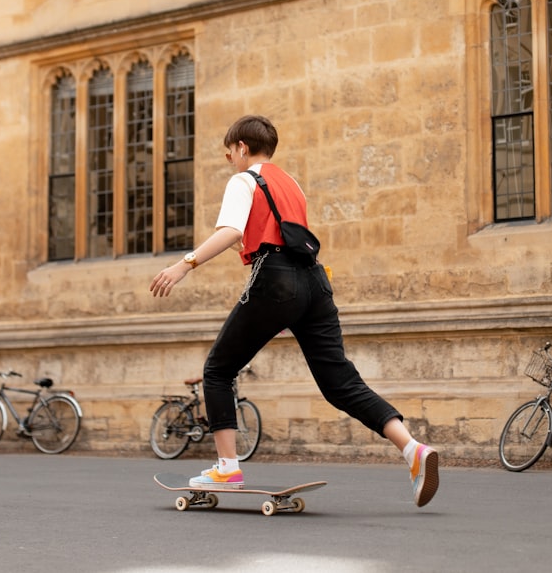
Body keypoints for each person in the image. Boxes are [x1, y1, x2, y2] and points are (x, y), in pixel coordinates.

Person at [150, 115, 439, 507]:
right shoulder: (292, 184)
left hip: (276, 283)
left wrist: (183, 264)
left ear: (241, 148)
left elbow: (233, 232)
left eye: (229, 153)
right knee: (341, 382)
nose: (229, 160)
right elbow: (273, 237)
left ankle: (227, 467)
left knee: (218, 369)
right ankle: (412, 450)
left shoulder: (243, 180)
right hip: (314, 284)